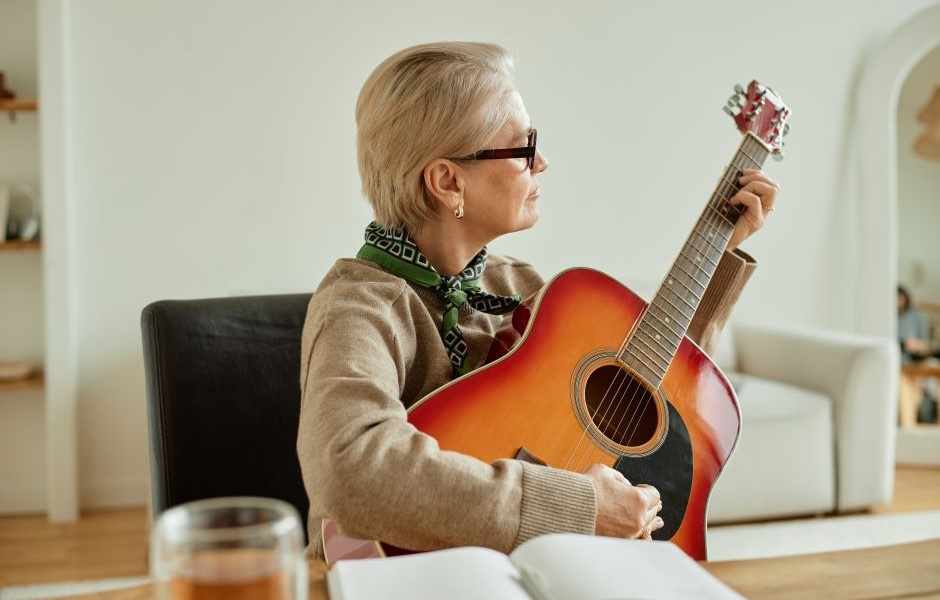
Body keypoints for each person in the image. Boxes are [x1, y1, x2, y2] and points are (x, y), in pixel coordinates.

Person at [296, 42, 780, 558]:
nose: (543, 162)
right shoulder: (359, 306)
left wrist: (718, 255)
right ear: (447, 182)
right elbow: (350, 469)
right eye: (524, 148)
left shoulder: (519, 284)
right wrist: (580, 507)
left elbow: (656, 389)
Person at [897, 285, 935, 364]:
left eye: (900, 298)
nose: (898, 301)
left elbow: (925, 343)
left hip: (914, 355)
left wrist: (917, 345)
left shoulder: (917, 316)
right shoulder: (890, 318)